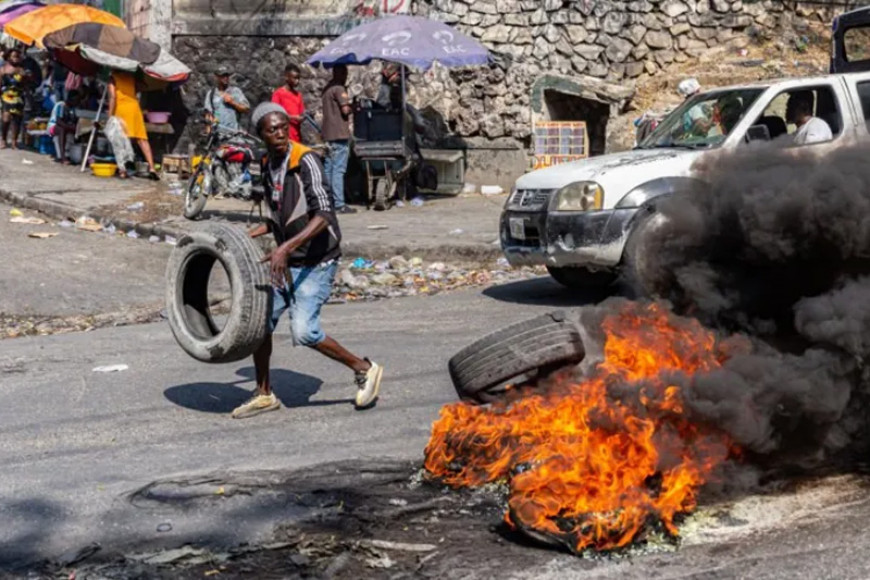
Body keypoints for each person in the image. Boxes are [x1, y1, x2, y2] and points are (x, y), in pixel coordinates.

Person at [234, 102, 384, 419]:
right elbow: (280, 212)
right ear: (260, 134)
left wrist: (285, 248)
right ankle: (263, 393)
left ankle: (364, 368)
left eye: (283, 127)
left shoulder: (306, 160)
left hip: (317, 260)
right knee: (259, 325)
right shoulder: (265, 162)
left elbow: (324, 215)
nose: (280, 134)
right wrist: (254, 235)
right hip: (287, 260)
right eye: (271, 129)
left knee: (303, 332)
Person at [107, 71, 158, 179]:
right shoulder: (131, 76)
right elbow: (142, 86)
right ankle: (152, 168)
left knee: (120, 141)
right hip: (134, 109)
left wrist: (110, 114)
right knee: (142, 139)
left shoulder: (113, 78)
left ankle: (123, 170)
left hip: (121, 110)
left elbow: (113, 97)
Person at [321, 64, 355, 214]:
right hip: (339, 134)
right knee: (339, 170)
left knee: (328, 168)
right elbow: (345, 110)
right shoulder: (340, 89)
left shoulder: (327, 88)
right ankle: (340, 204)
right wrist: (353, 106)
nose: (346, 76)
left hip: (328, 134)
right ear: (340, 73)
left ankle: (328, 201)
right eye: (345, 72)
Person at [204, 65, 250, 133]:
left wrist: (233, 102)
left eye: (227, 76)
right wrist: (208, 132)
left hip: (233, 134)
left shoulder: (235, 91)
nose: (225, 78)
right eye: (222, 76)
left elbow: (246, 109)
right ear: (217, 77)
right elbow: (208, 115)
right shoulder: (211, 94)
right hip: (217, 134)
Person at [1, 49, 28, 149]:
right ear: (8, 57)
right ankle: (3, 139)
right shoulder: (3, 69)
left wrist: (25, 77)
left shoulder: (22, 70)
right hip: (6, 96)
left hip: (19, 97)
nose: (16, 59)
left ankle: (14, 141)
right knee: (6, 118)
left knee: (17, 119)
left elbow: (26, 84)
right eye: (14, 56)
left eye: (17, 56)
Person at [271, 62, 304, 143]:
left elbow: (301, 113)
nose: (297, 81)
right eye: (295, 78)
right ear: (286, 77)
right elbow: (275, 114)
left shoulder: (298, 95)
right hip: (283, 135)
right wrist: (293, 118)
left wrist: (304, 117)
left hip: (296, 135)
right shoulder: (278, 94)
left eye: (298, 78)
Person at [48, 90, 79, 164]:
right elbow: (59, 121)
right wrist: (70, 127)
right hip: (54, 126)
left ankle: (73, 155)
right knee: (62, 129)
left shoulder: (73, 108)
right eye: (75, 100)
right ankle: (62, 156)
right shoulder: (61, 105)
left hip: (67, 126)